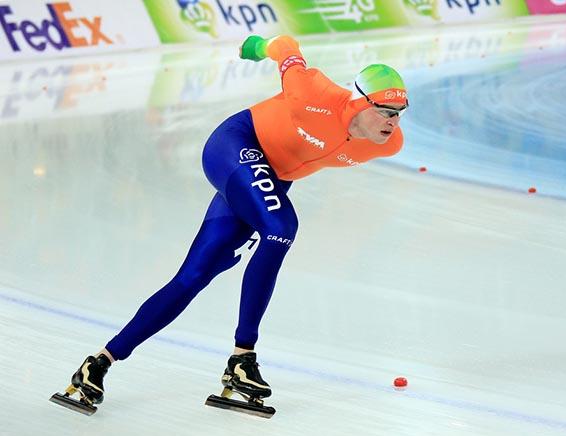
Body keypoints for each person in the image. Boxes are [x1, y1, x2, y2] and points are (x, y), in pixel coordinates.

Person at [51, 34, 409, 417]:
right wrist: (252, 47)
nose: (392, 122)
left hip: (263, 178)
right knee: (281, 227)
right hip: (234, 145)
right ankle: (244, 356)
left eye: (399, 113)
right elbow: (286, 46)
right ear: (360, 102)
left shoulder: (388, 144)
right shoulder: (313, 94)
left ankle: (99, 363)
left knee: (195, 275)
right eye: (385, 111)